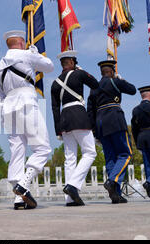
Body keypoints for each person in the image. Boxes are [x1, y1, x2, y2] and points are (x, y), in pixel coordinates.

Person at [0, 31, 54, 210]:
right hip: (26, 102)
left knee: (17, 151)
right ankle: (24, 184)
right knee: (42, 148)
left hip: (7, 109)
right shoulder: (26, 54)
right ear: (21, 43)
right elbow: (49, 66)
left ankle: (19, 198)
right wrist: (35, 54)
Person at [50, 51, 99, 207]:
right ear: (72, 62)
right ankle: (73, 186)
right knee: (90, 152)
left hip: (64, 119)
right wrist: (81, 71)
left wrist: (57, 129)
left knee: (70, 158)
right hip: (78, 115)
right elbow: (95, 84)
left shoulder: (55, 83)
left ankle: (70, 199)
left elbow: (54, 108)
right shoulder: (79, 74)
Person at [87, 60, 136, 204]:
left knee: (111, 159)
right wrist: (121, 80)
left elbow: (90, 110)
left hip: (101, 124)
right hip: (115, 120)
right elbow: (132, 90)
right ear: (112, 71)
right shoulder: (115, 81)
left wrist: (94, 130)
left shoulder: (94, 87)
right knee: (125, 154)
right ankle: (113, 180)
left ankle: (116, 194)